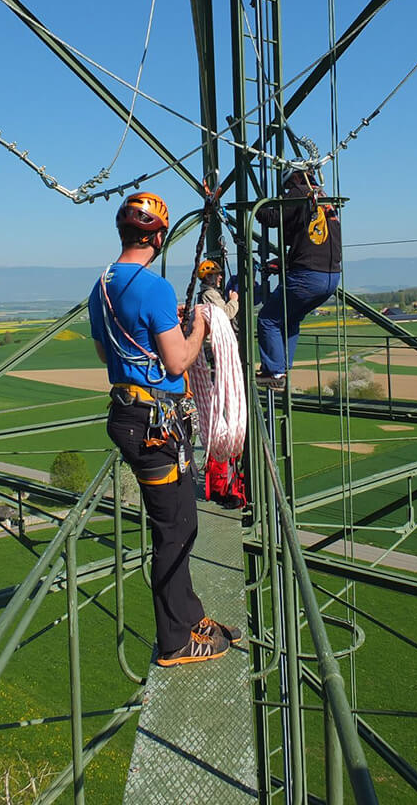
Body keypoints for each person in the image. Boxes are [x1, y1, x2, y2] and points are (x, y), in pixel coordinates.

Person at [90, 192, 241, 666]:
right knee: (173, 531)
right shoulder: (153, 287)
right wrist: (198, 328)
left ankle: (188, 616)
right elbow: (177, 361)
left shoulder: (101, 286)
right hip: (154, 423)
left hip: (133, 416)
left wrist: (158, 334)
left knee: (181, 522)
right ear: (157, 238)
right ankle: (175, 641)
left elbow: (106, 353)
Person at [255, 167, 342, 389]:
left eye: (287, 186)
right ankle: (283, 366)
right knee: (290, 318)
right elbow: (312, 241)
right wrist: (286, 261)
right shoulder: (323, 200)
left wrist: (258, 206)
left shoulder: (299, 192)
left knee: (268, 319)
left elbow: (272, 217)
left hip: (307, 277)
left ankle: (274, 372)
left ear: (293, 177)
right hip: (331, 277)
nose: (287, 191)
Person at [196, 259, 239, 324]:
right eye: (217, 274)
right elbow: (226, 314)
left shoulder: (204, 293)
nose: (220, 277)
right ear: (207, 277)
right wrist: (234, 300)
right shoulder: (210, 294)